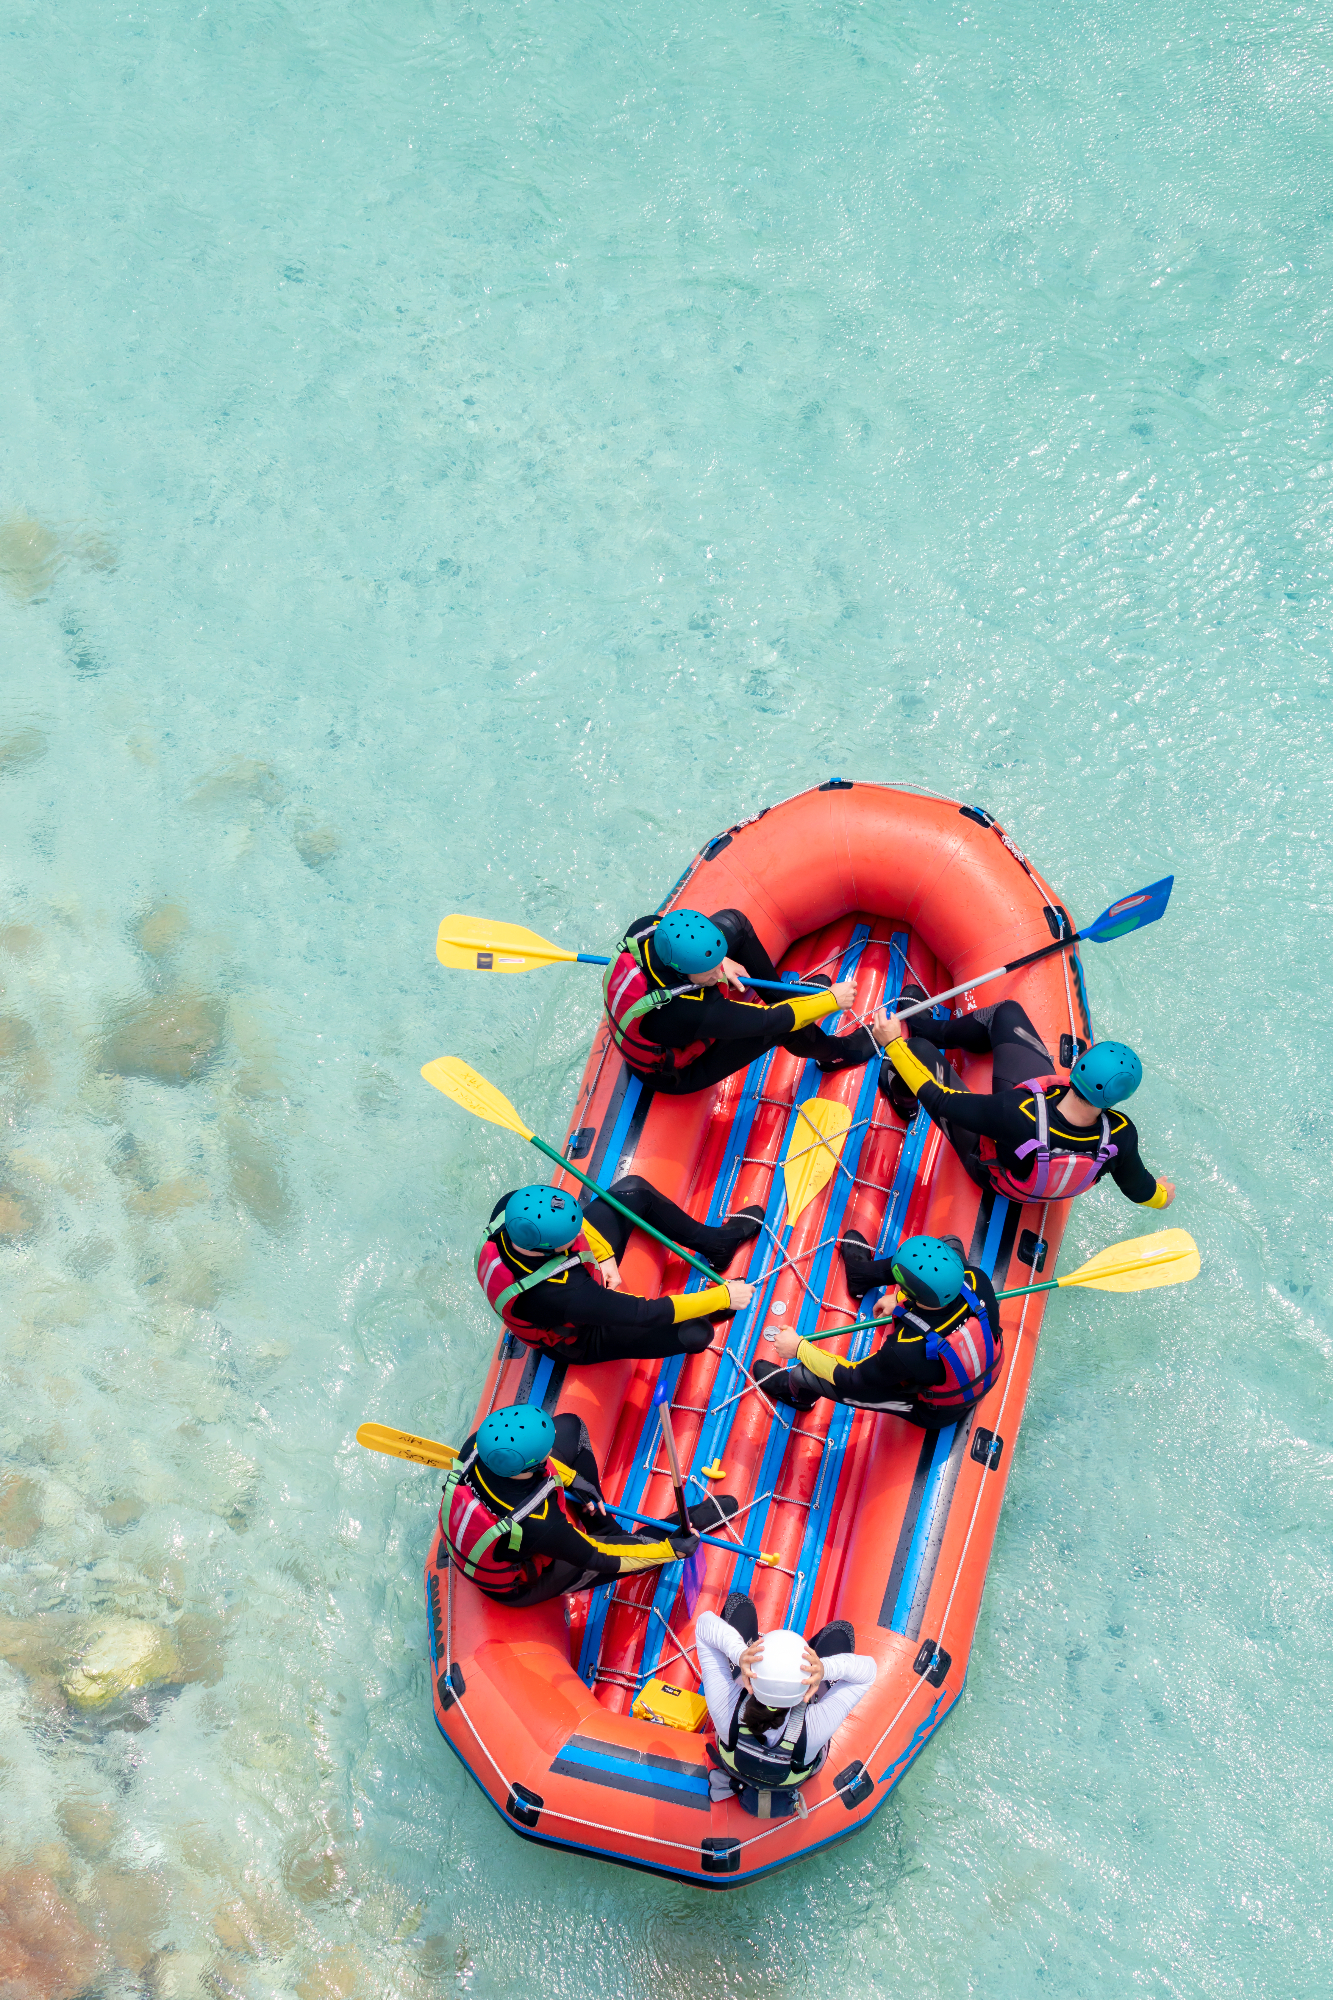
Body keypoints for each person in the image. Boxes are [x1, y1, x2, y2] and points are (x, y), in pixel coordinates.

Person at [878, 986, 1175, 1211]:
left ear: (1078, 1066)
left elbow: (940, 1101)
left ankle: (905, 1088)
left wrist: (893, 1043)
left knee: (915, 1049)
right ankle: (932, 1030)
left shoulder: (1016, 1112)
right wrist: (1162, 1196)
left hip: (994, 1173)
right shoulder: (1121, 1135)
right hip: (1033, 1169)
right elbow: (1140, 1191)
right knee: (1007, 1014)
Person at [441, 1404, 737, 1607]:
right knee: (633, 1551)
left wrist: (574, 1481)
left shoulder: (477, 1447)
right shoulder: (540, 1522)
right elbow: (598, 1557)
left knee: (571, 1427)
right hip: (521, 1583)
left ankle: (601, 1521)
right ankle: (676, 1533)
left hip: (508, 1518)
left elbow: (543, 1463)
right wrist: (669, 1551)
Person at [603, 907, 893, 1095]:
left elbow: (708, 954)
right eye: (710, 970)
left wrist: (722, 960)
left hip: (679, 1010)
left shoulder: (647, 929)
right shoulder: (690, 1011)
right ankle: (838, 1053)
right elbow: (772, 1020)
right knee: (784, 1027)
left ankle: (783, 994)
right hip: (680, 1071)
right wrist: (831, 1000)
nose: (719, 973)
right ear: (682, 970)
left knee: (735, 923)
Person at [477, 1179, 762, 1364]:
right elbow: (644, 1312)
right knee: (695, 1333)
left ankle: (717, 1245)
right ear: (548, 1248)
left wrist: (603, 1253)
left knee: (634, 1192)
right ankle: (708, 1309)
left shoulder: (514, 1206)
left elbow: (578, 1225)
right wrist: (724, 1297)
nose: (580, 1228)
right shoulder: (562, 1294)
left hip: (571, 1285)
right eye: (571, 1232)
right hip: (579, 1335)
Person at [752, 1234, 1004, 1428]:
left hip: (935, 1410)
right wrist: (900, 1302)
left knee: (805, 1374)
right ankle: (860, 1276)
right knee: (948, 1241)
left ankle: (797, 1396)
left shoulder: (905, 1349)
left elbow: (850, 1376)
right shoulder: (977, 1279)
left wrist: (798, 1347)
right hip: (977, 1369)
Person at [695, 1592, 876, 1815]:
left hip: (738, 1756)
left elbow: (704, 1624)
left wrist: (740, 1653)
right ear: (805, 1692)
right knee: (841, 1633)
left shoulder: (726, 1707)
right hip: (792, 1763)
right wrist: (823, 1669)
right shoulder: (814, 1727)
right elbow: (868, 1671)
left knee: (739, 1605)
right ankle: (811, 1656)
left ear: (751, 1678)